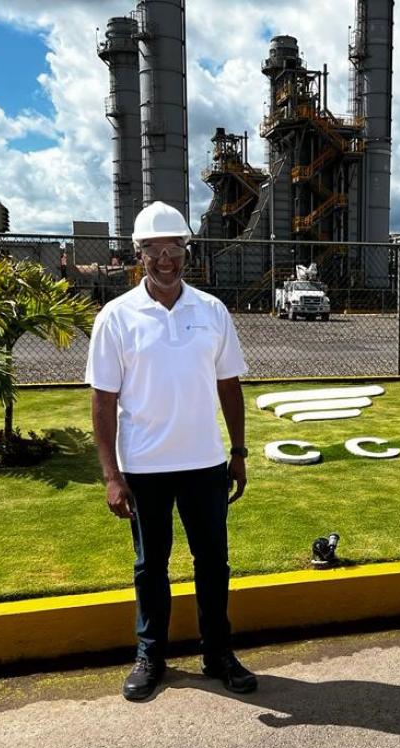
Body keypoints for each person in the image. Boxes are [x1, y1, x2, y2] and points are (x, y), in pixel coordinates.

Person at [85, 200, 256, 701]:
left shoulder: (211, 311)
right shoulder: (116, 318)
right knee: (150, 567)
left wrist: (239, 452)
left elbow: (230, 386)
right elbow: (103, 400)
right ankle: (151, 654)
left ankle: (217, 653)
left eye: (175, 247)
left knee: (213, 563)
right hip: (145, 468)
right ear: (139, 253)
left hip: (205, 464)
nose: (166, 258)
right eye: (155, 249)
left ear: (187, 250)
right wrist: (112, 475)